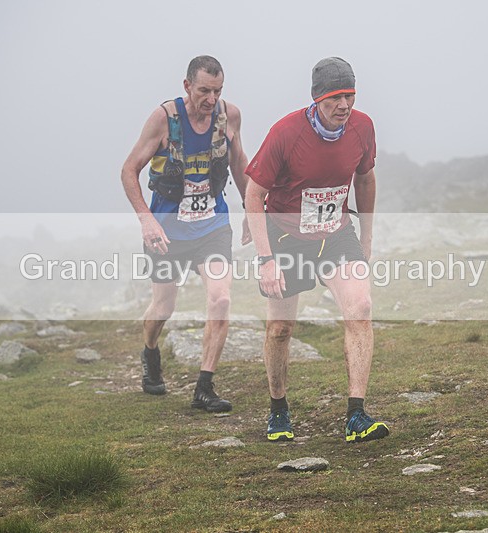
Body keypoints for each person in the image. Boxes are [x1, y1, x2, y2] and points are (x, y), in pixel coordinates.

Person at [245, 57, 389, 443]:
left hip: (336, 234)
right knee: (281, 328)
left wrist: (367, 237)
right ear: (317, 98)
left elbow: (366, 178)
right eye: (335, 97)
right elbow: (254, 194)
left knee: (360, 308)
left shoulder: (362, 128)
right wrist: (266, 260)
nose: (344, 105)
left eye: (350, 96)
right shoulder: (286, 133)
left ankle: (356, 415)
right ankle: (278, 410)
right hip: (287, 237)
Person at [121, 55, 249, 412]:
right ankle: (150, 352)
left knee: (221, 298)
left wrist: (252, 212)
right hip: (167, 231)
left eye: (217, 91)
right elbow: (128, 170)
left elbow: (240, 165)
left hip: (212, 226)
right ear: (187, 86)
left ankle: (204, 388)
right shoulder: (164, 119)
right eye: (204, 91)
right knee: (164, 305)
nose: (211, 99)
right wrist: (146, 220)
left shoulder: (230, 116)